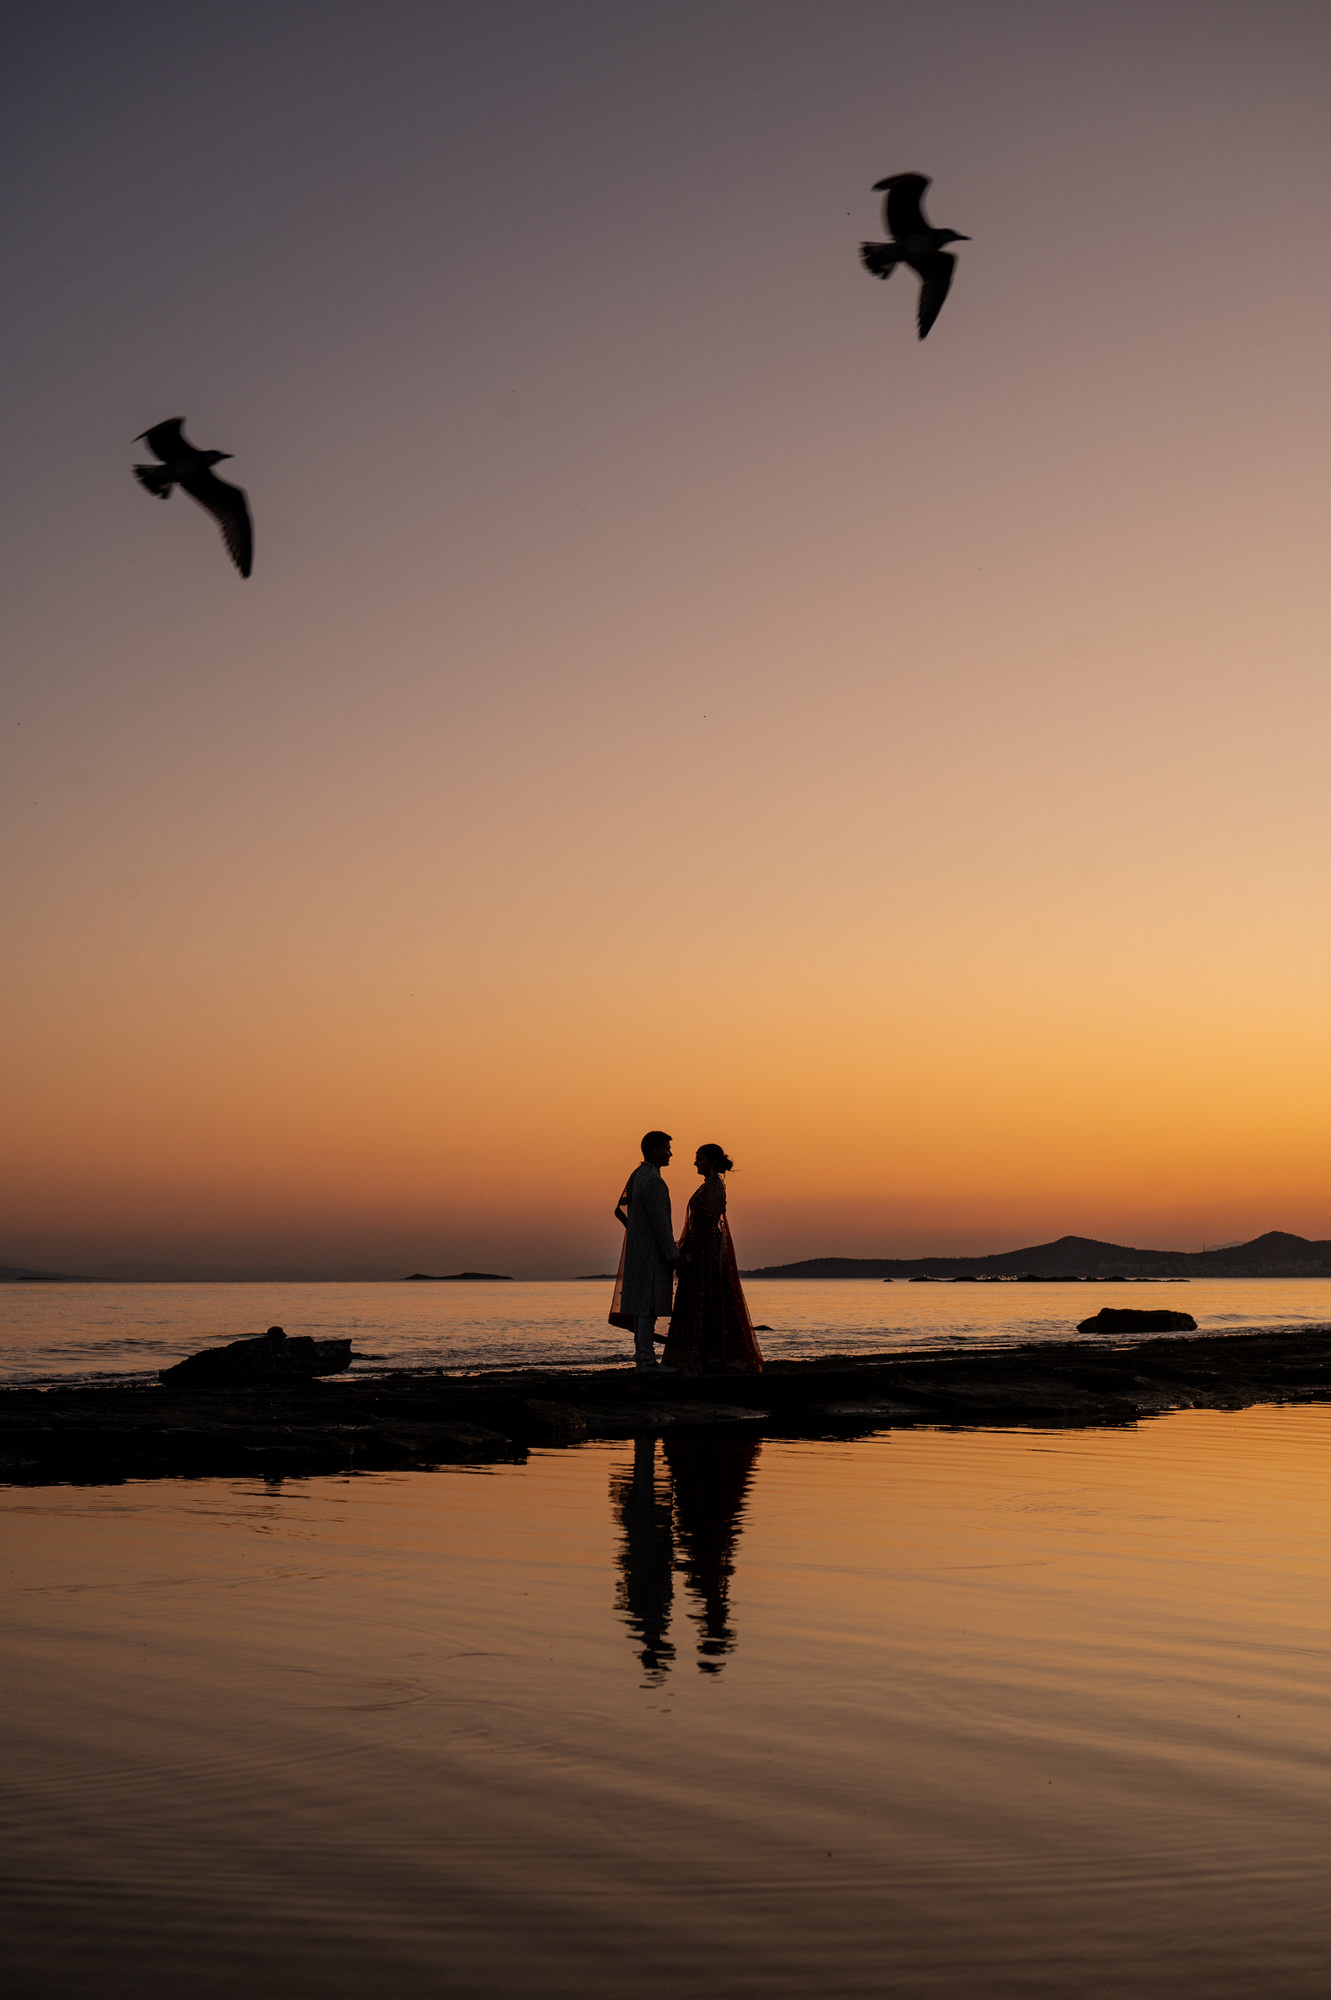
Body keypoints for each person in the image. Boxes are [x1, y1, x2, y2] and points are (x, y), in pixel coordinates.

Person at [661, 1145, 763, 1375]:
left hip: (706, 1250)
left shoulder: (715, 1188)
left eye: (700, 1159)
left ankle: (707, 1356)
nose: (696, 1163)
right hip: (702, 1247)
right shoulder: (708, 1186)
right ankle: (699, 1355)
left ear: (713, 1162)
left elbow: (706, 1224)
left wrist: (688, 1254)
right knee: (698, 1298)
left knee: (706, 1297)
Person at [609, 1130, 680, 1372]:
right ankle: (647, 1360)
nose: (670, 1153)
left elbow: (625, 1212)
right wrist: (672, 1254)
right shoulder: (653, 1181)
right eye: (667, 1148)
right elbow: (661, 1222)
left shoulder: (637, 1175)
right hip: (651, 1254)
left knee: (641, 1306)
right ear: (654, 1151)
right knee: (648, 1307)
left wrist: (638, 1234)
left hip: (638, 1250)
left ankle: (642, 1357)